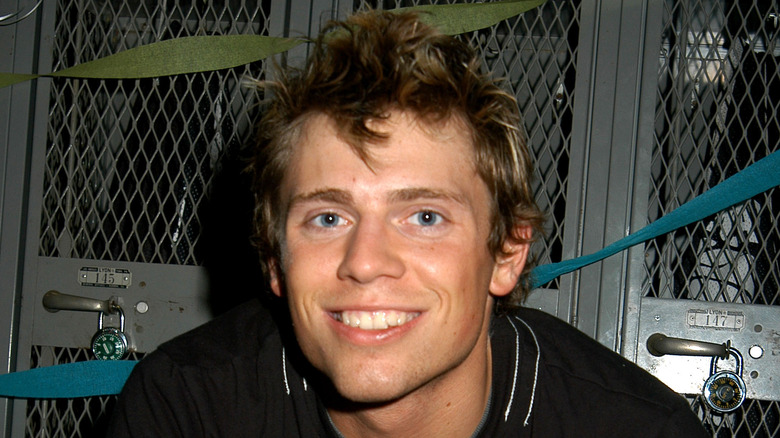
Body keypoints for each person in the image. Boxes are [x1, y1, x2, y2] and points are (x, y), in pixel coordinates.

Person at [107, 9, 709, 437]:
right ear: (274, 262)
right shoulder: (185, 408)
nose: (365, 260)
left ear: (507, 254)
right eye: (326, 216)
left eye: (424, 216)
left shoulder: (634, 428)